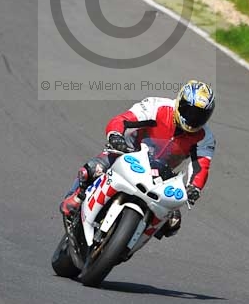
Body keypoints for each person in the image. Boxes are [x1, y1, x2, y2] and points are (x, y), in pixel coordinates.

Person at [60, 80, 216, 238]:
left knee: (172, 223)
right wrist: (116, 135)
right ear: (180, 102)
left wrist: (194, 188)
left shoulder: (205, 137)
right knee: (93, 169)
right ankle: (76, 197)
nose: (192, 118)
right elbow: (123, 120)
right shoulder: (157, 107)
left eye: (199, 115)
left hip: (162, 175)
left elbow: (201, 166)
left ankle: (130, 242)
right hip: (128, 153)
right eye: (189, 111)